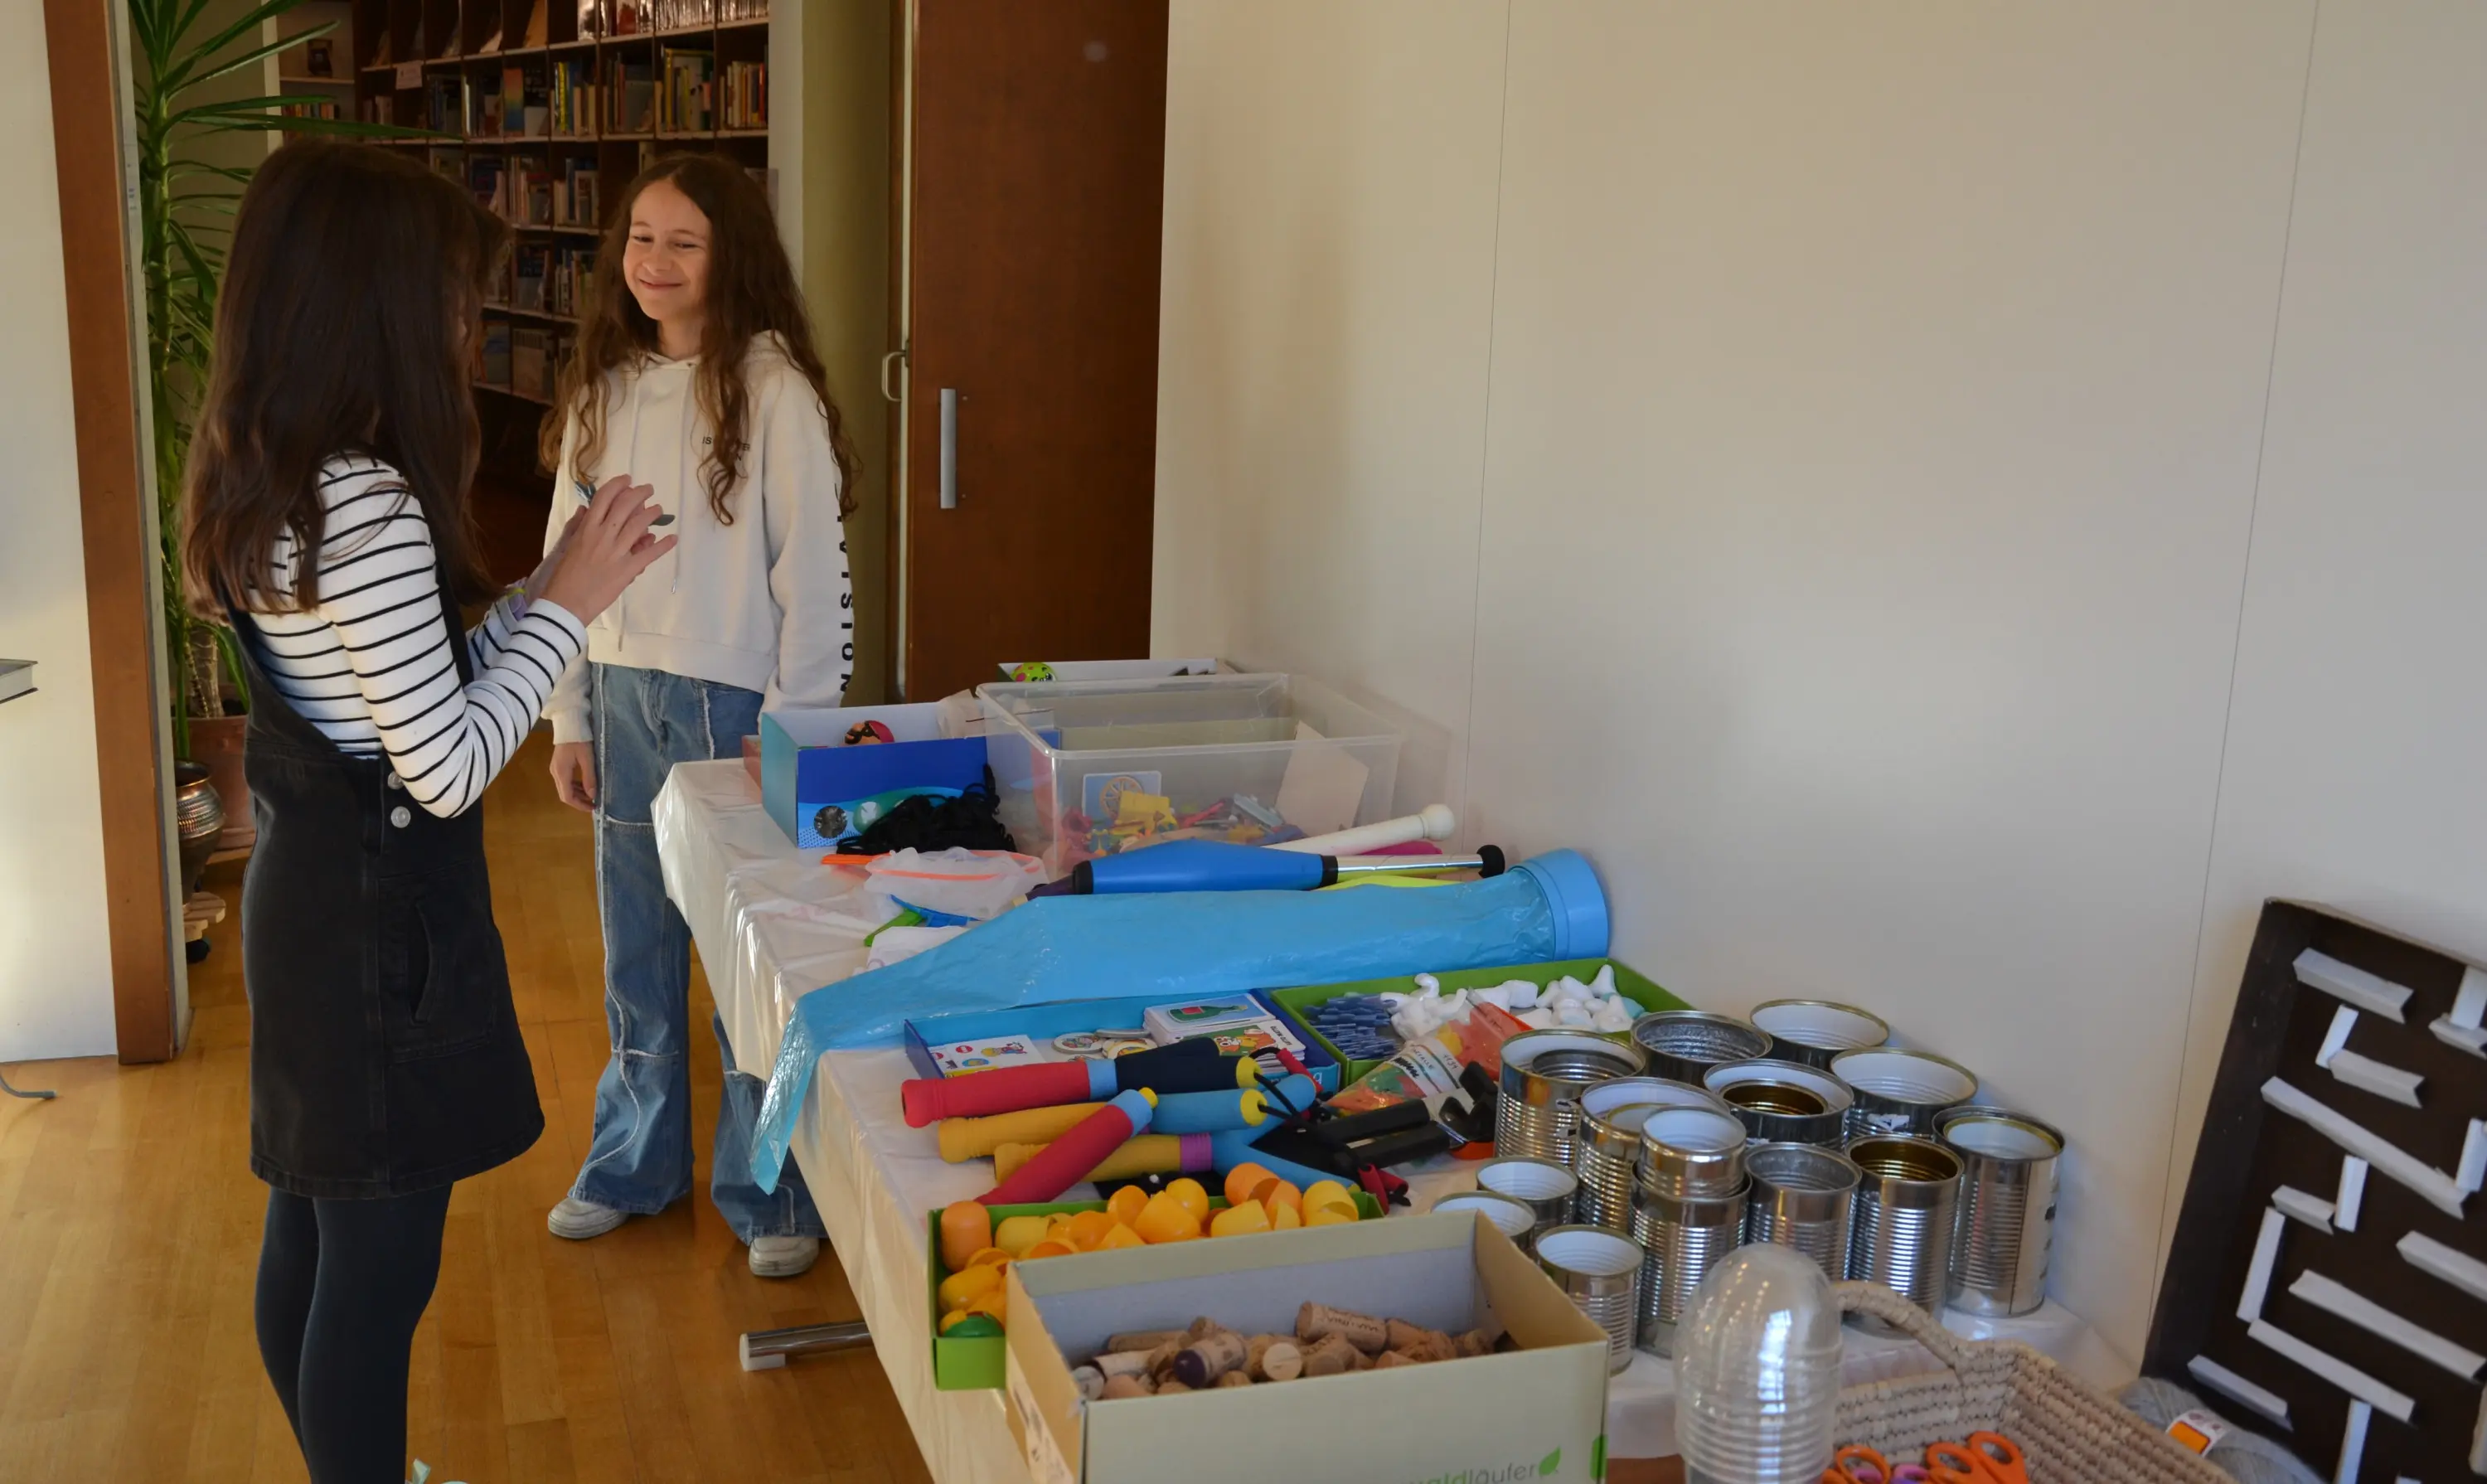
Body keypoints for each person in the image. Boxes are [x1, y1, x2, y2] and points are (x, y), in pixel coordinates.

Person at [181, 142, 673, 1484]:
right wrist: (570, 611)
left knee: (316, 1228)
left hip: (310, 908)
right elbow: (447, 765)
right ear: (377, 301)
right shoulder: (373, 505)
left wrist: (545, 586)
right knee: (379, 1272)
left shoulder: (265, 470)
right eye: (453, 296)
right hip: (382, 929)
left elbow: (403, 686)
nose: (464, 326)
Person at [536, 153, 857, 1276]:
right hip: (622, 698)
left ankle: (773, 1193)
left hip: (734, 708)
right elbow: (561, 563)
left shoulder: (774, 390)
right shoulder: (601, 388)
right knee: (638, 960)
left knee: (747, 971)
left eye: (682, 242)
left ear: (733, 259)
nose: (652, 262)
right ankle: (632, 1163)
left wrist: (794, 730)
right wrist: (567, 715)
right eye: (638, 236)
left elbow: (813, 581)